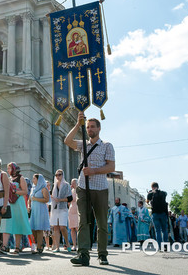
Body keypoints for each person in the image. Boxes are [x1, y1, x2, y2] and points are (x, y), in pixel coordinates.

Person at [64, 111, 115, 266]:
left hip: (100, 189)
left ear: (99, 129)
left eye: (92, 127)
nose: (89, 130)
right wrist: (77, 124)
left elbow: (111, 166)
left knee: (101, 223)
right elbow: (67, 140)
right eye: (87, 127)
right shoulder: (83, 144)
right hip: (83, 187)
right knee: (83, 222)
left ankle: (102, 254)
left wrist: (93, 170)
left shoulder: (107, 145)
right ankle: (83, 254)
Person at [0, 162, 32, 255]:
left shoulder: (20, 178)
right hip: (9, 203)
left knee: (18, 224)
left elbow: (25, 191)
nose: (8, 170)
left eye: (9, 168)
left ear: (14, 169)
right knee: (8, 224)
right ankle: (5, 246)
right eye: (7, 168)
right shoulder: (8, 179)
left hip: (18, 203)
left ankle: (18, 247)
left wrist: (15, 191)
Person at [50, 169, 72, 253]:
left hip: (63, 208)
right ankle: (57, 246)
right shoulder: (54, 185)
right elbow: (52, 195)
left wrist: (60, 200)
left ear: (62, 175)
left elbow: (70, 198)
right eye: (56, 175)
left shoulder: (66, 185)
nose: (57, 176)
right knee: (56, 227)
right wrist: (52, 197)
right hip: (55, 208)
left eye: (59, 174)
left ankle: (67, 244)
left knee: (63, 227)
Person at [28, 173, 50, 253]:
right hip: (34, 210)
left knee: (39, 228)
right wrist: (28, 206)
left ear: (38, 180)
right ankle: (40, 242)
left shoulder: (43, 188)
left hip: (41, 210)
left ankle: (39, 246)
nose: (33, 180)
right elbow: (30, 199)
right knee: (33, 228)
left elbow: (46, 199)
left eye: (34, 178)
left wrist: (36, 199)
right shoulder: (33, 188)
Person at [146, 182, 168, 249]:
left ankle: (160, 246)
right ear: (158, 186)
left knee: (157, 231)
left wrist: (151, 192)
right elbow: (165, 194)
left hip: (155, 214)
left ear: (152, 187)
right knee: (164, 230)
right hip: (163, 214)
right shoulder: (163, 193)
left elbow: (147, 201)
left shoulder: (150, 194)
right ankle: (165, 245)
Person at [68, 178, 79, 251]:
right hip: (71, 211)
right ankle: (74, 245)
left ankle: (80, 245)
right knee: (72, 228)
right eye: (72, 183)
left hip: (78, 210)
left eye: (74, 183)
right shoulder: (71, 191)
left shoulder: (79, 191)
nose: (72, 184)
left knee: (78, 228)